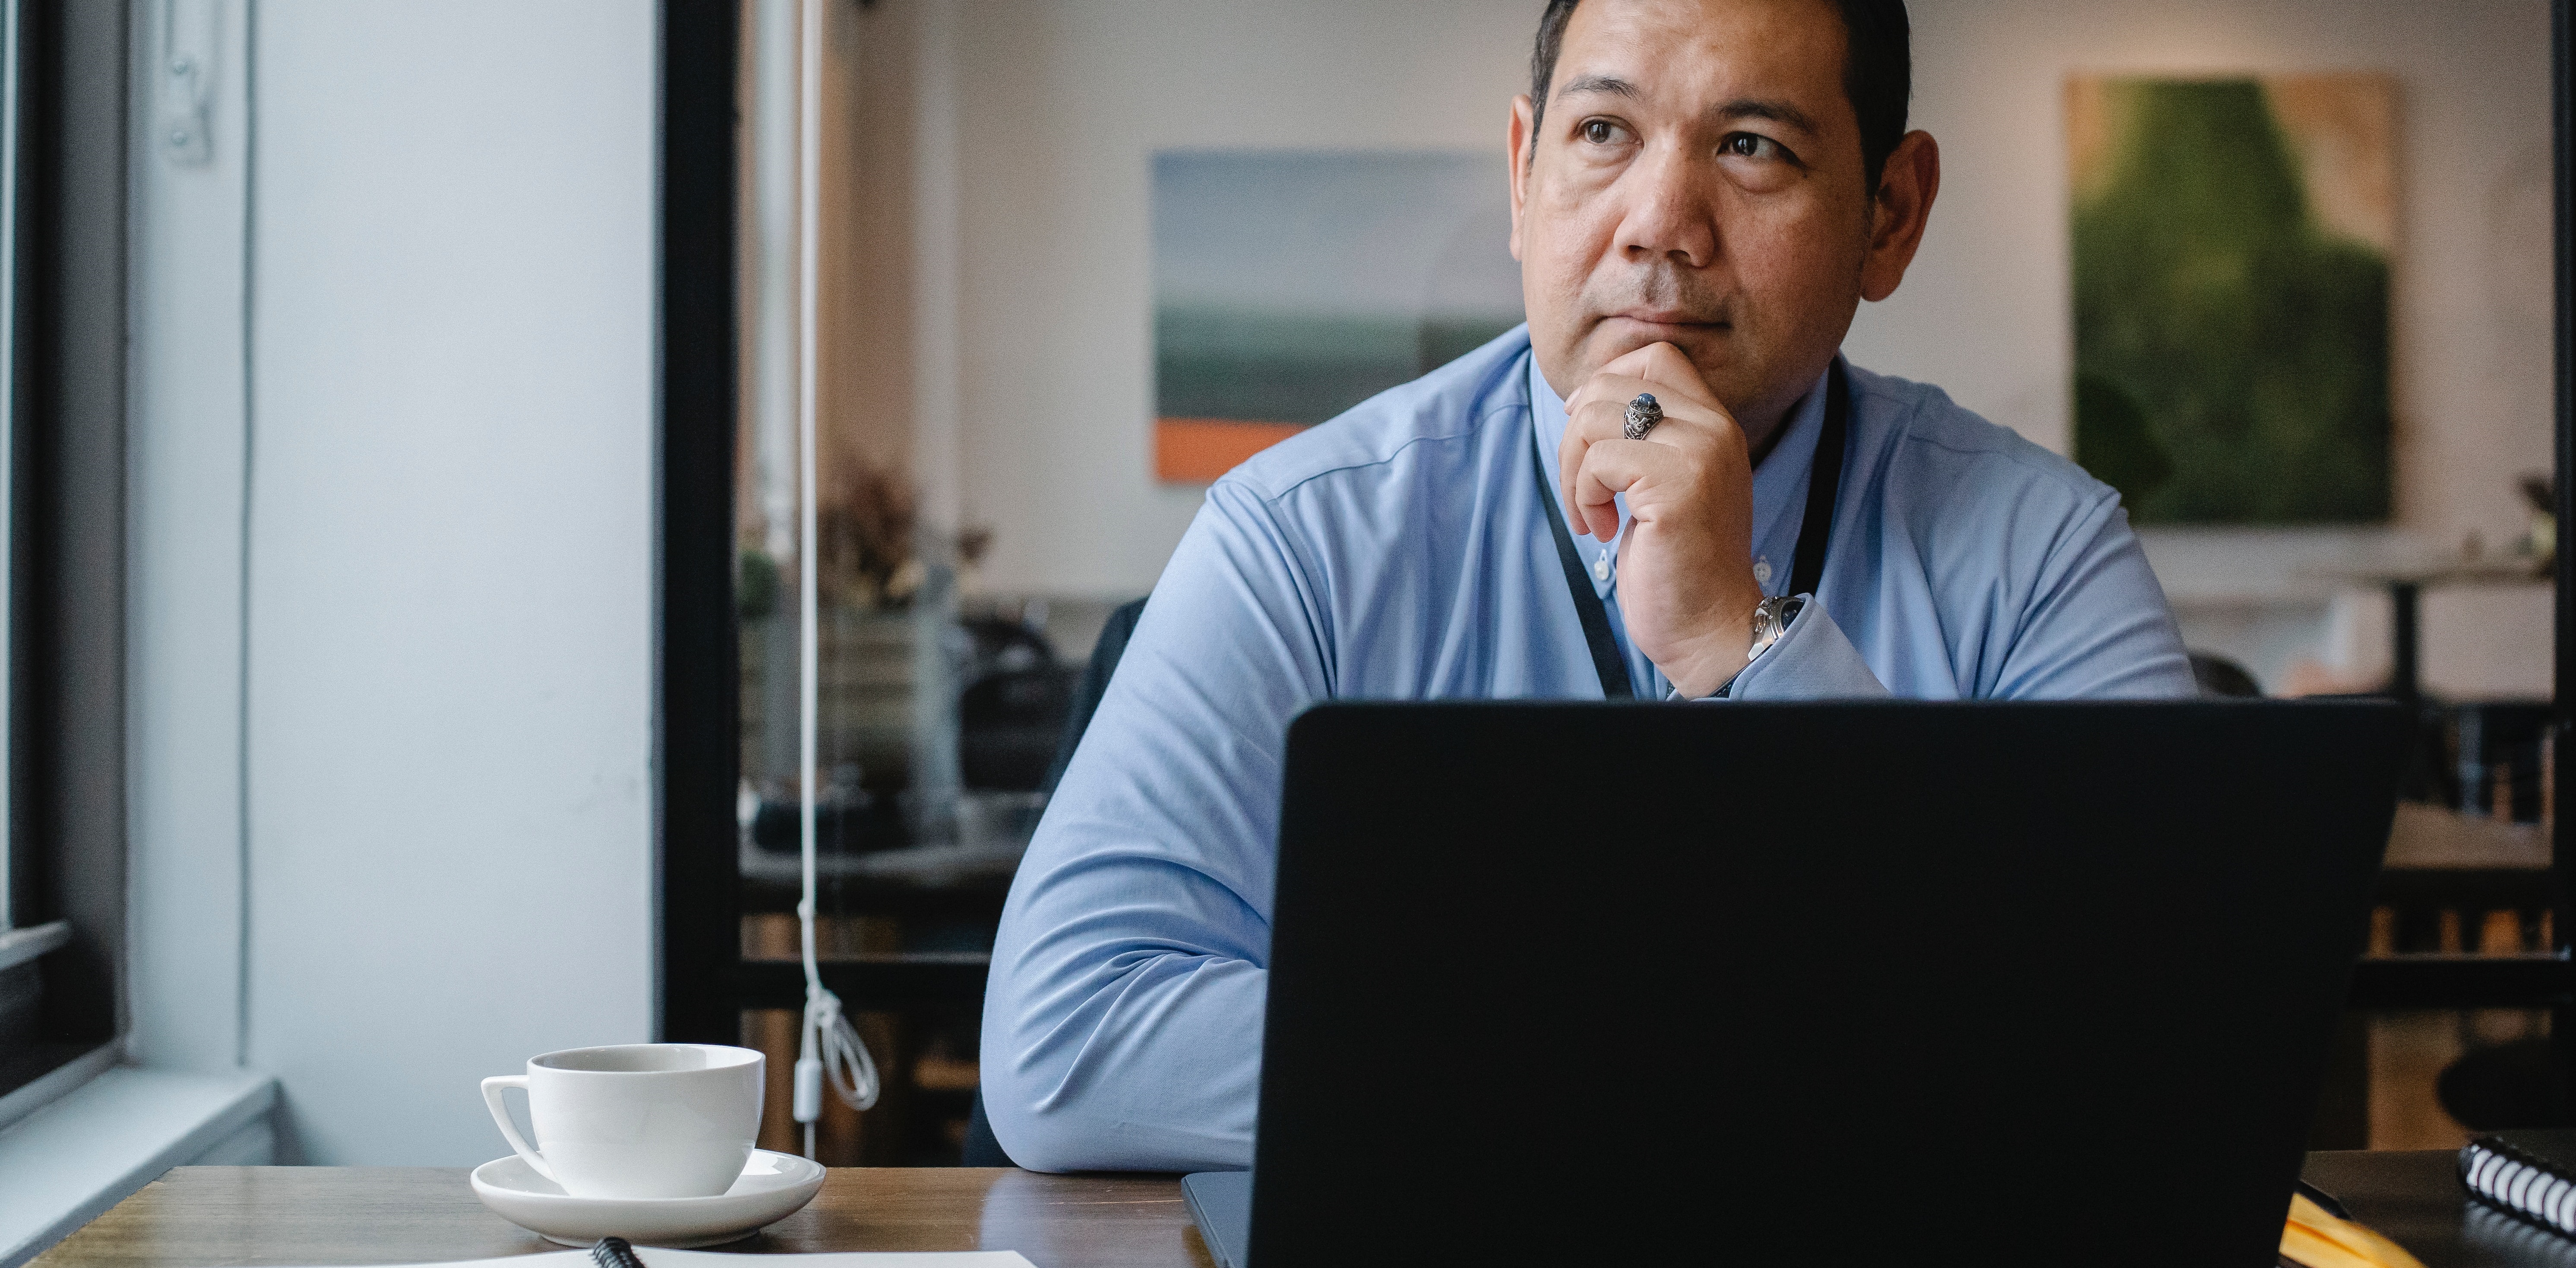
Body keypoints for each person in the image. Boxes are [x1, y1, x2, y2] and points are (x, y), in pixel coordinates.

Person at [981, 0, 2195, 1173]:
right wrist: (1673, 1060)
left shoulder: (2041, 548)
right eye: (1604, 132)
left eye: (1752, 146)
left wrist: (1746, 642)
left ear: (1890, 213)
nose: (1661, 223)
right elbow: (1066, 1040)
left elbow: (2161, 1053)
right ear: (1523, 171)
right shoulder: (1301, 537)